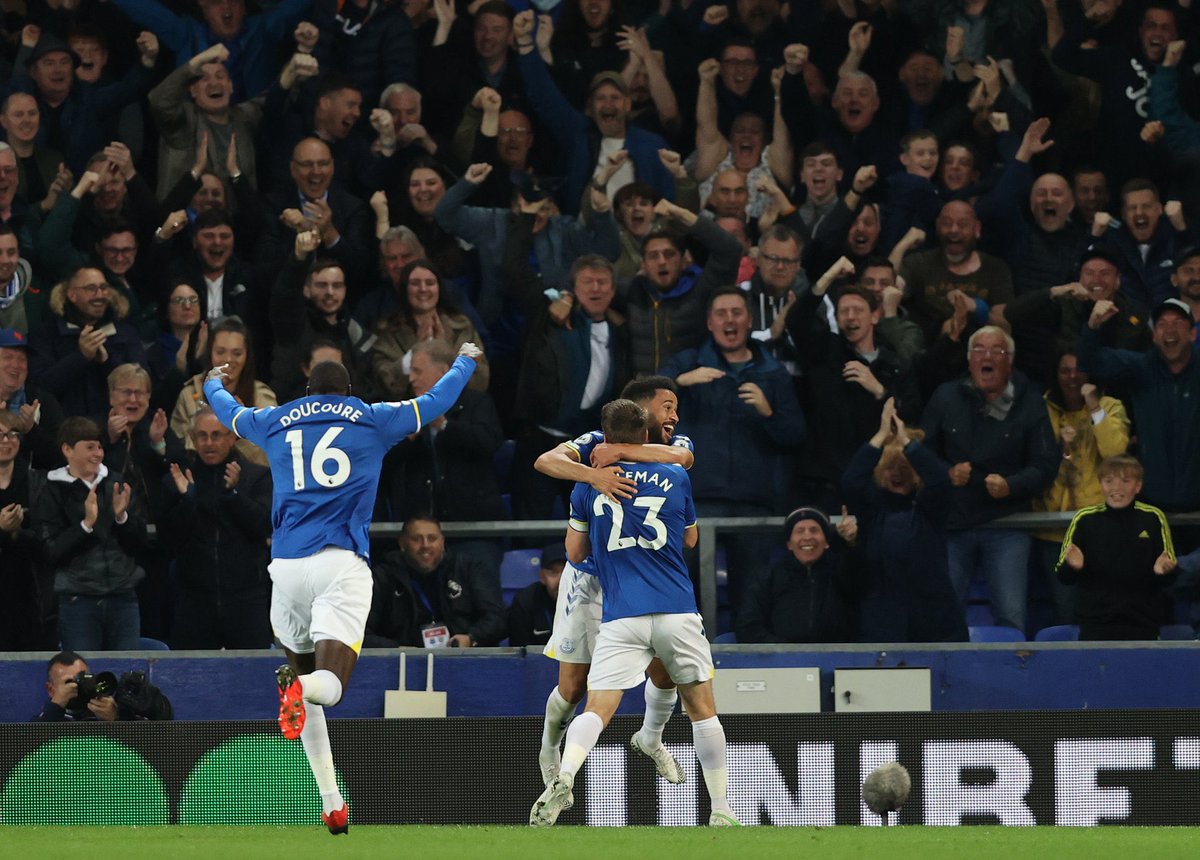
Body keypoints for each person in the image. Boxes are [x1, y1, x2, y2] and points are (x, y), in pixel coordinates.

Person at [202, 342, 481, 835]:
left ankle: (332, 802)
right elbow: (436, 403)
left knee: (306, 696)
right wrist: (463, 359)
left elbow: (230, 414)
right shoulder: (371, 417)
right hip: (339, 564)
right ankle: (299, 686)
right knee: (326, 689)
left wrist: (210, 383)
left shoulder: (277, 419)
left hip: (285, 568)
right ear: (348, 390)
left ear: (307, 390)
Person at [530, 399, 738, 828]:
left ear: (606, 437)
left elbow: (574, 551)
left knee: (597, 707)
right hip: (676, 609)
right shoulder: (676, 475)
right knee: (702, 708)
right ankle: (720, 809)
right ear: (646, 433)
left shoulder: (587, 485)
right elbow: (691, 539)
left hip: (621, 612)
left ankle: (566, 775)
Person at [532, 375, 695, 791]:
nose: (674, 416)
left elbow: (684, 460)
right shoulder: (591, 440)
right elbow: (545, 461)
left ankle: (652, 738)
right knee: (572, 689)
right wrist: (595, 477)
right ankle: (550, 749)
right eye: (667, 406)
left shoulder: (677, 447)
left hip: (643, 581)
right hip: (592, 583)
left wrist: (618, 453)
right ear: (641, 411)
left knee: (666, 670)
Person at [920, 326, 1058, 633]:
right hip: (954, 522)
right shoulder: (945, 397)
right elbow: (921, 454)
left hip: (1009, 522)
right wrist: (946, 474)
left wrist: (1013, 485)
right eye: (979, 350)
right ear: (969, 360)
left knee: (1011, 615)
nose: (987, 356)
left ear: (1010, 361)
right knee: (945, 612)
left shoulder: (1031, 401)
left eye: (997, 351)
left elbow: (1046, 464)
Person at [841, 398, 967, 643]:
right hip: (882, 622)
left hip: (933, 622)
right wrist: (881, 435)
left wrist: (907, 443)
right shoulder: (871, 509)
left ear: (917, 473)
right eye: (890, 467)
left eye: (905, 467)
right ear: (879, 473)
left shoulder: (929, 509)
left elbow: (941, 481)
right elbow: (851, 481)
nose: (898, 473)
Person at [159, 406, 273, 649]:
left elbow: (264, 525)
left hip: (247, 601)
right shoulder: (179, 480)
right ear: (193, 439)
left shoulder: (256, 477)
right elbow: (168, 539)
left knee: (253, 679)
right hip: (194, 604)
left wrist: (234, 495)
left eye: (216, 435)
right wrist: (187, 500)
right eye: (202, 435)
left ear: (232, 437)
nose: (209, 443)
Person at [32, 416, 148, 652]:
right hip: (77, 601)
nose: (97, 454)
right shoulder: (51, 491)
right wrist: (86, 525)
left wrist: (121, 518)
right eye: (89, 447)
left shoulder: (117, 484)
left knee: (126, 678)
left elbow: (140, 544)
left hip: (123, 597)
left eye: (99, 447)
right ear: (67, 449)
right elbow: (51, 552)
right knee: (86, 680)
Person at [1057, 456, 1176, 640]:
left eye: (1125, 481)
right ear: (1100, 484)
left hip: (1143, 624)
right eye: (1109, 481)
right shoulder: (1084, 519)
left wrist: (1164, 572)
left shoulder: (1153, 517)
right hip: (1095, 625)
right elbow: (1063, 576)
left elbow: (1170, 576)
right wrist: (1073, 567)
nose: (1116, 488)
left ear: (1137, 486)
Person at [364, 515, 507, 647]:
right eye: (416, 539)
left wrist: (471, 638)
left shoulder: (467, 568)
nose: (425, 545)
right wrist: (395, 649)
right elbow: (360, 633)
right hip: (400, 665)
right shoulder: (383, 577)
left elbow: (496, 618)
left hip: (462, 659)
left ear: (442, 542)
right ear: (402, 543)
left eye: (432, 538)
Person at [507, 542, 565, 647]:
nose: (561, 580)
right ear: (542, 576)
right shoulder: (526, 601)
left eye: (567, 571)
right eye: (553, 572)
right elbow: (520, 653)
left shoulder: (588, 600)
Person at [33, 651, 117, 721]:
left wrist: (114, 720)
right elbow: (31, 738)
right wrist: (56, 706)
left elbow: (127, 740)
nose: (77, 686)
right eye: (69, 682)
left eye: (83, 679)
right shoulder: (46, 717)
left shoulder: (103, 710)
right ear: (50, 690)